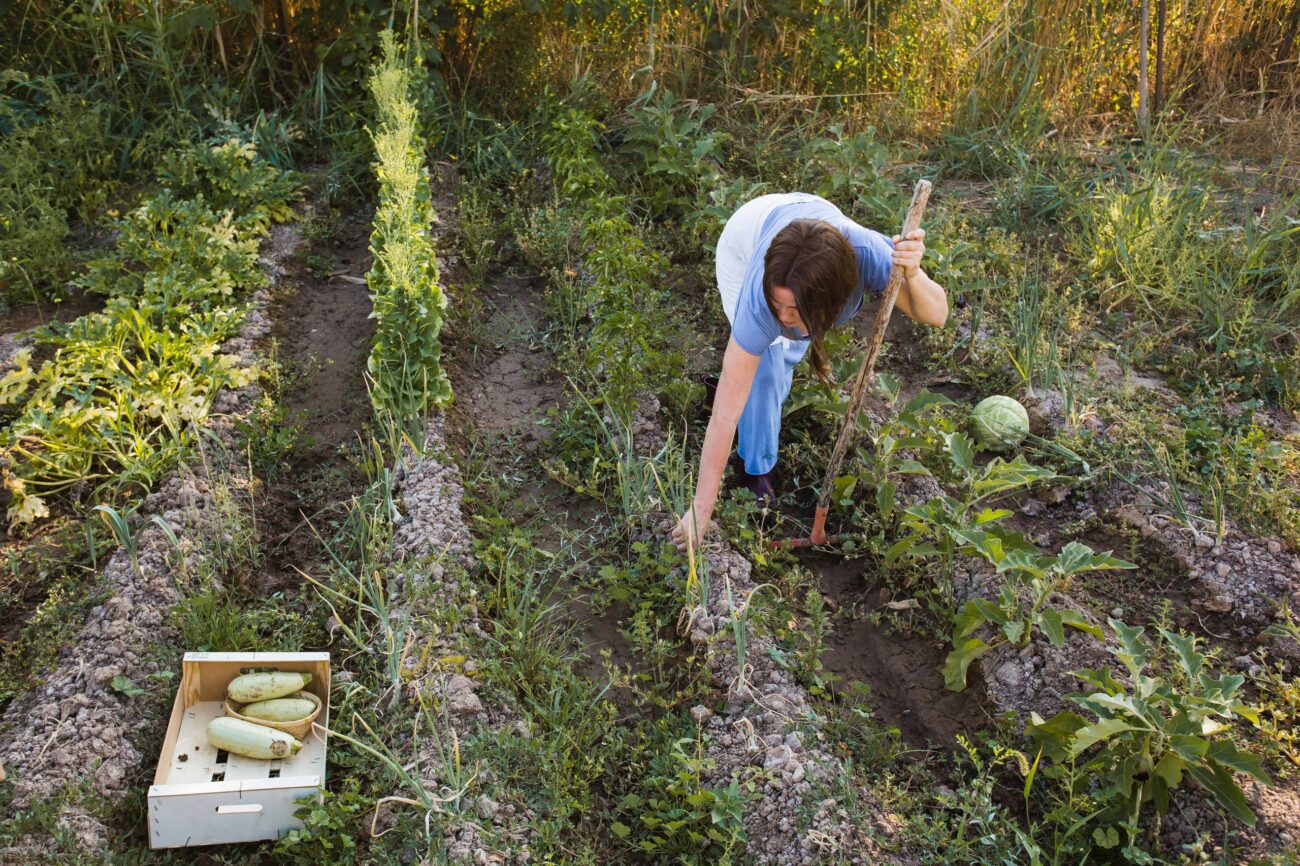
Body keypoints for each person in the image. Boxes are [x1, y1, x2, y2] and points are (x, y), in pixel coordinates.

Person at [671, 192, 948, 554]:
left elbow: (937, 313)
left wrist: (912, 273)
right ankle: (755, 472)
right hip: (746, 238)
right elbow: (725, 413)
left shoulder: (869, 256)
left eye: (795, 308)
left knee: (786, 347)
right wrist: (700, 508)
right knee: (766, 367)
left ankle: (763, 386)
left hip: (815, 229)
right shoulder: (759, 300)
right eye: (779, 305)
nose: (783, 317)